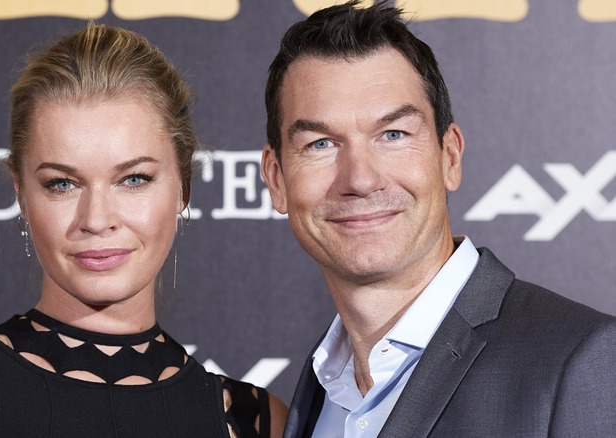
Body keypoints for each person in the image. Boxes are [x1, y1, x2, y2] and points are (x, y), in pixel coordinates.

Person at [0, 23, 286, 438]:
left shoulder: (252, 422)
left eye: (133, 179)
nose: (96, 219)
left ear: (182, 188)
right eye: (62, 183)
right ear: (21, 195)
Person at [260, 1, 616, 437]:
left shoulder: (583, 361)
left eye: (393, 135)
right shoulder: (320, 387)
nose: (360, 178)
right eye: (320, 144)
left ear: (449, 156)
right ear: (276, 179)